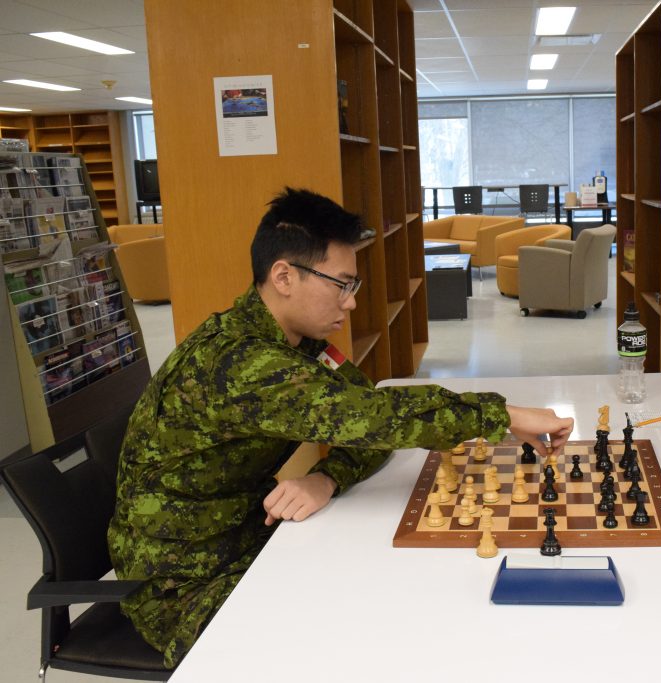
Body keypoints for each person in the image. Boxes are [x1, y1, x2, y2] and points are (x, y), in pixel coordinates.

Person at [107, 188, 574, 668]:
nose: (350, 304)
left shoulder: (296, 344)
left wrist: (327, 477)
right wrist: (504, 415)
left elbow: (366, 417)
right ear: (284, 276)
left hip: (250, 538)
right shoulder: (241, 361)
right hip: (182, 585)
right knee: (369, 640)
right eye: (341, 284)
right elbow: (379, 418)